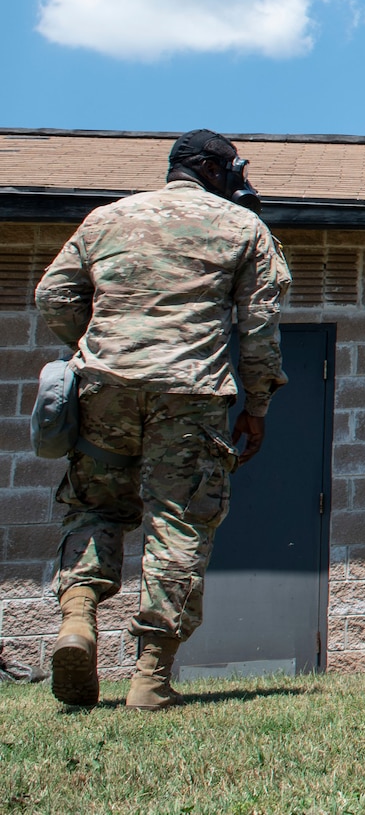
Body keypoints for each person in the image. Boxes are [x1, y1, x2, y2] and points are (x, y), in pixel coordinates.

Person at [35, 131, 290, 709]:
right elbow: (258, 328)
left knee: (95, 506)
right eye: (234, 169)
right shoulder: (242, 228)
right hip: (189, 397)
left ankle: (77, 621)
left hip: (104, 390)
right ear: (209, 168)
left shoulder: (106, 218)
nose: (239, 180)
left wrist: (103, 347)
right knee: (179, 522)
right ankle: (150, 677)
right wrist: (257, 407)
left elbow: (53, 294)